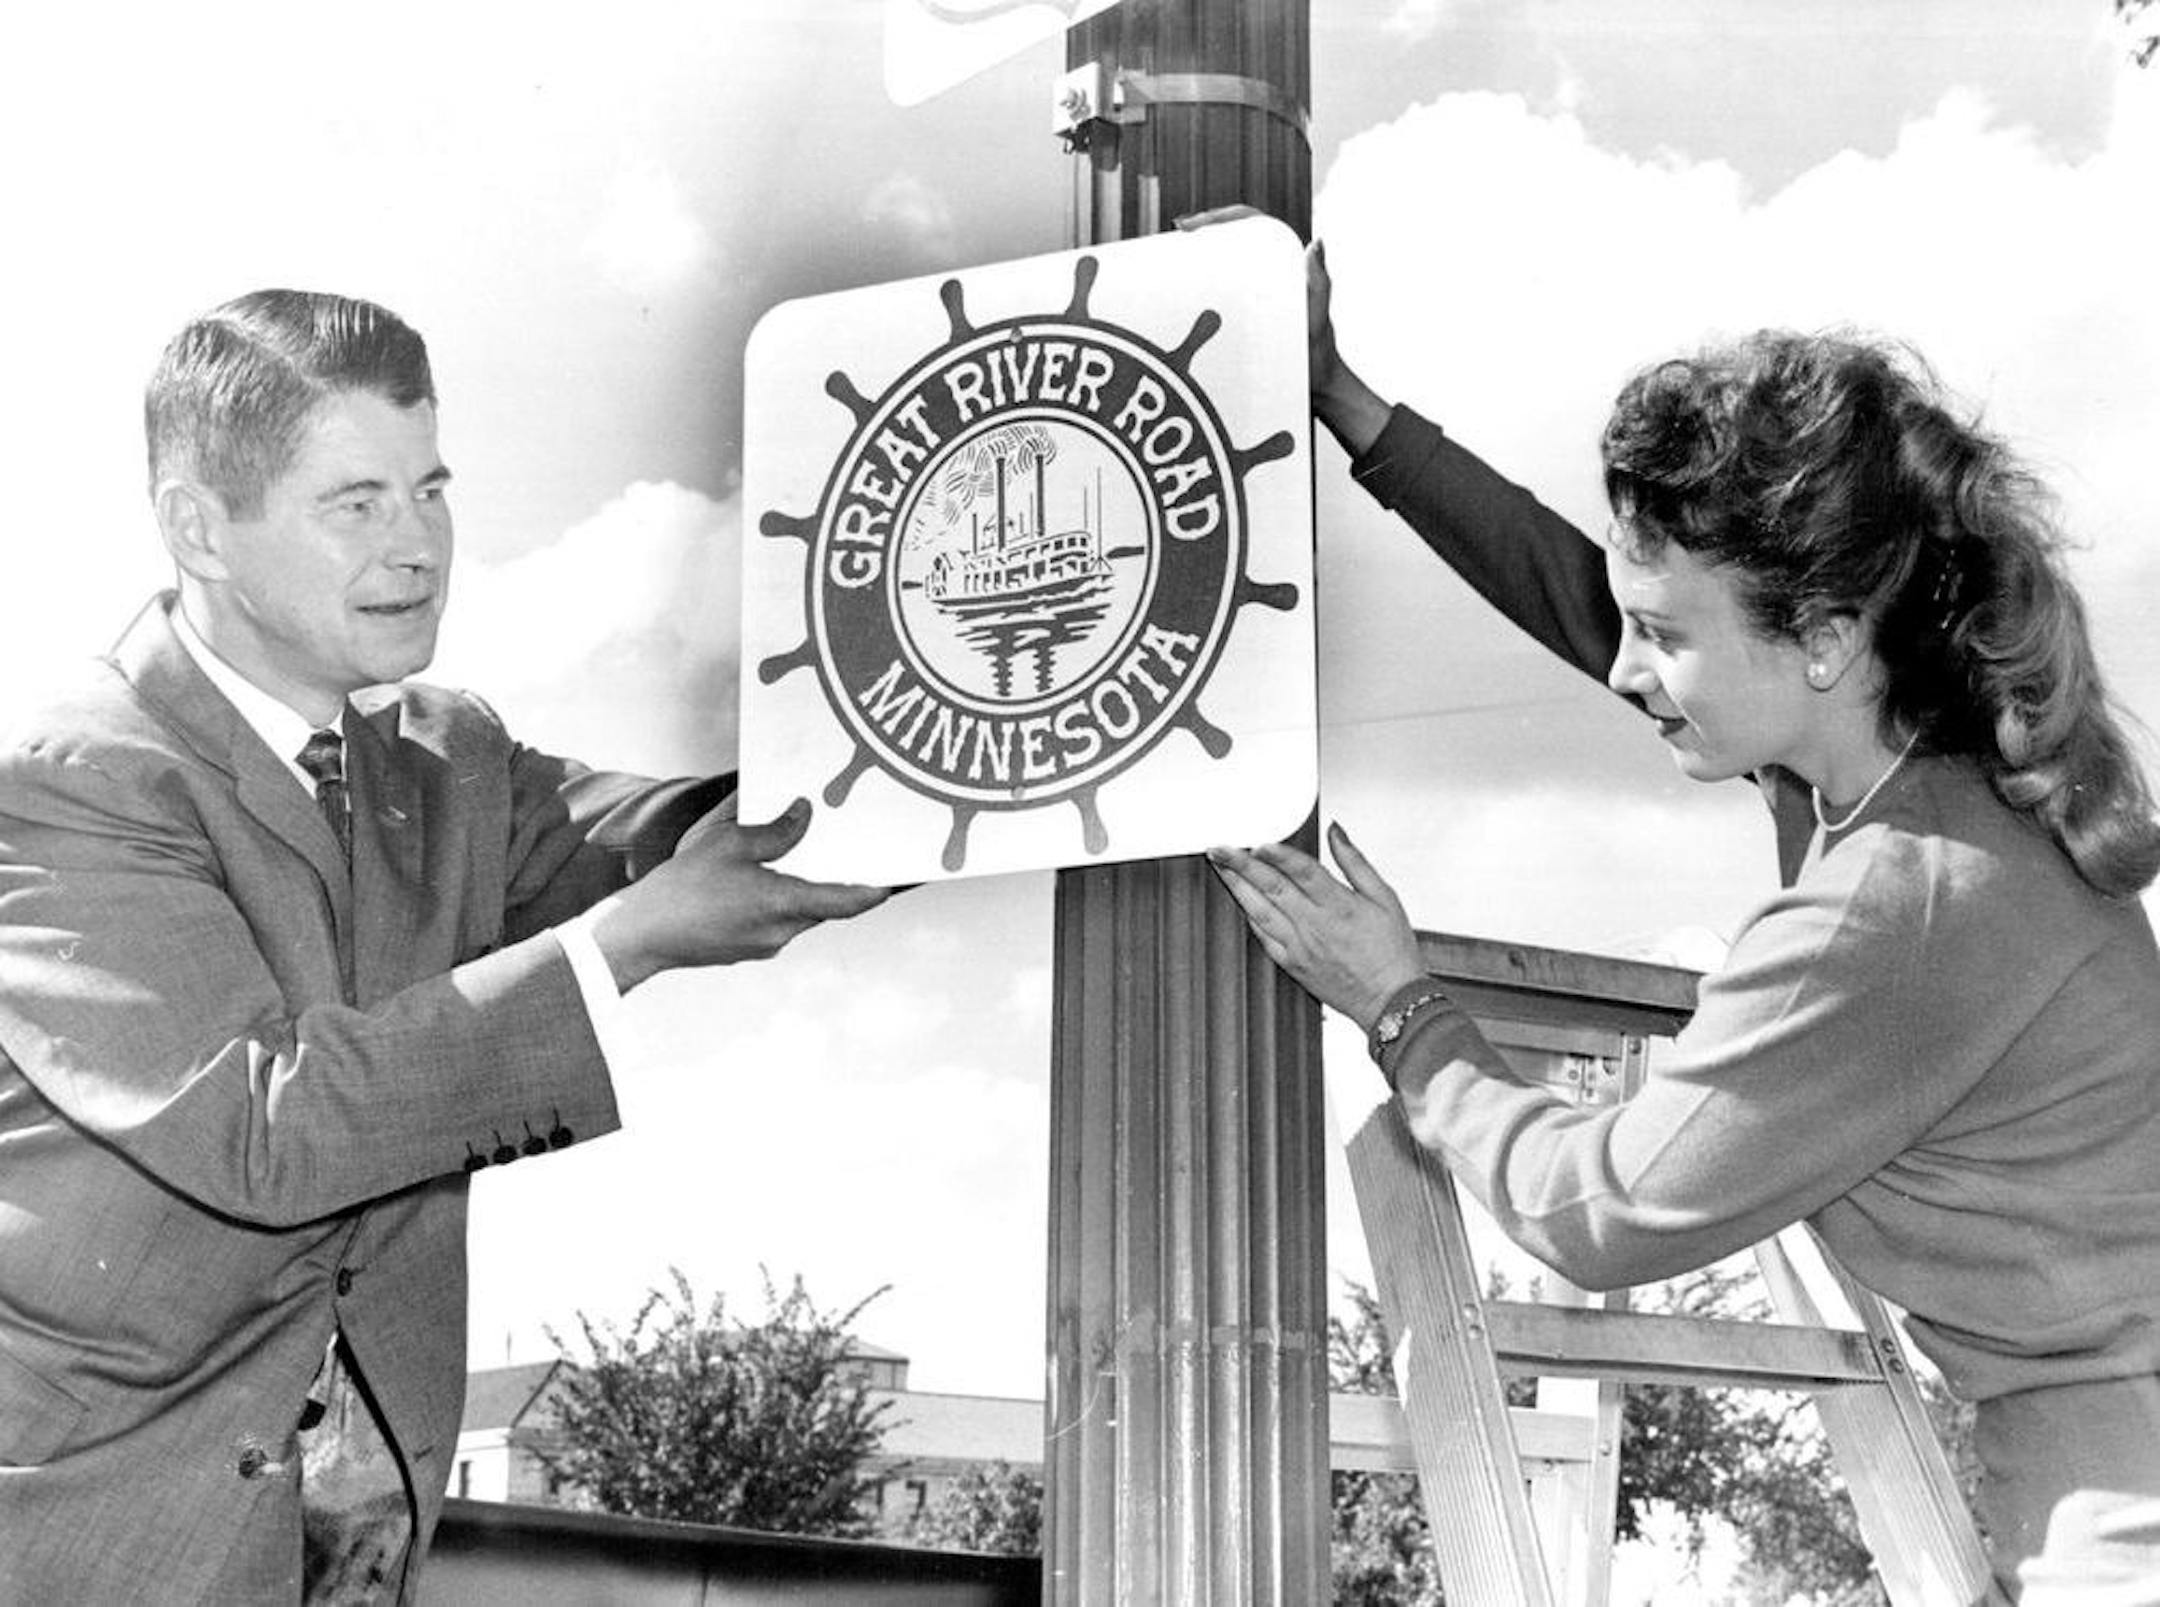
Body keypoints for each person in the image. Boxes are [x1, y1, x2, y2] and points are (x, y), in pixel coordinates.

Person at [1210, 246, 2160, 1602]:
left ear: (1823, 639)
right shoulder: (1910, 765)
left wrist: (1401, 1008)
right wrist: (1342, 398)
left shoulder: (1885, 907)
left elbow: (1598, 1208)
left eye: (1665, 635)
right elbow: (1579, 596)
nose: (1622, 665)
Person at [0, 288, 889, 1603]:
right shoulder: (76, 779)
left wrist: (897, 761)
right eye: (355, 503)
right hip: (103, 1544)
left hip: (356, 1550)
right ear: (201, 528)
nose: (416, 546)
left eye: (432, 490)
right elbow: (266, 1126)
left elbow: (645, 833)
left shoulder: (444, 753)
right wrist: (625, 948)